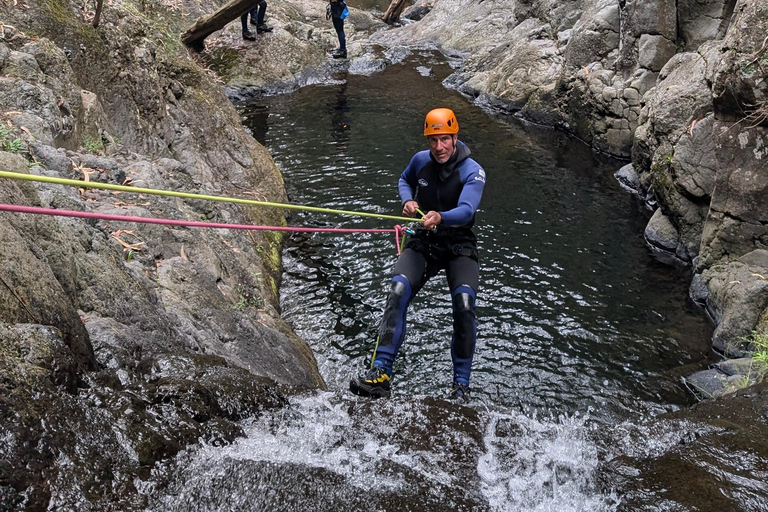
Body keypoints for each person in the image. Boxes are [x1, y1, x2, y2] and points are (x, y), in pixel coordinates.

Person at [349, 108, 486, 402]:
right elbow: (404, 179)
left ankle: (461, 386)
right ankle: (381, 373)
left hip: (458, 244)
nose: (439, 147)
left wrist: (440, 217)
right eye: (433, 140)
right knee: (398, 289)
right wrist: (407, 200)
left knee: (464, 304)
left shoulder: (473, 171)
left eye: (444, 140)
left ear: (455, 138)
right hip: (424, 239)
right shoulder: (420, 161)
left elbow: (467, 209)